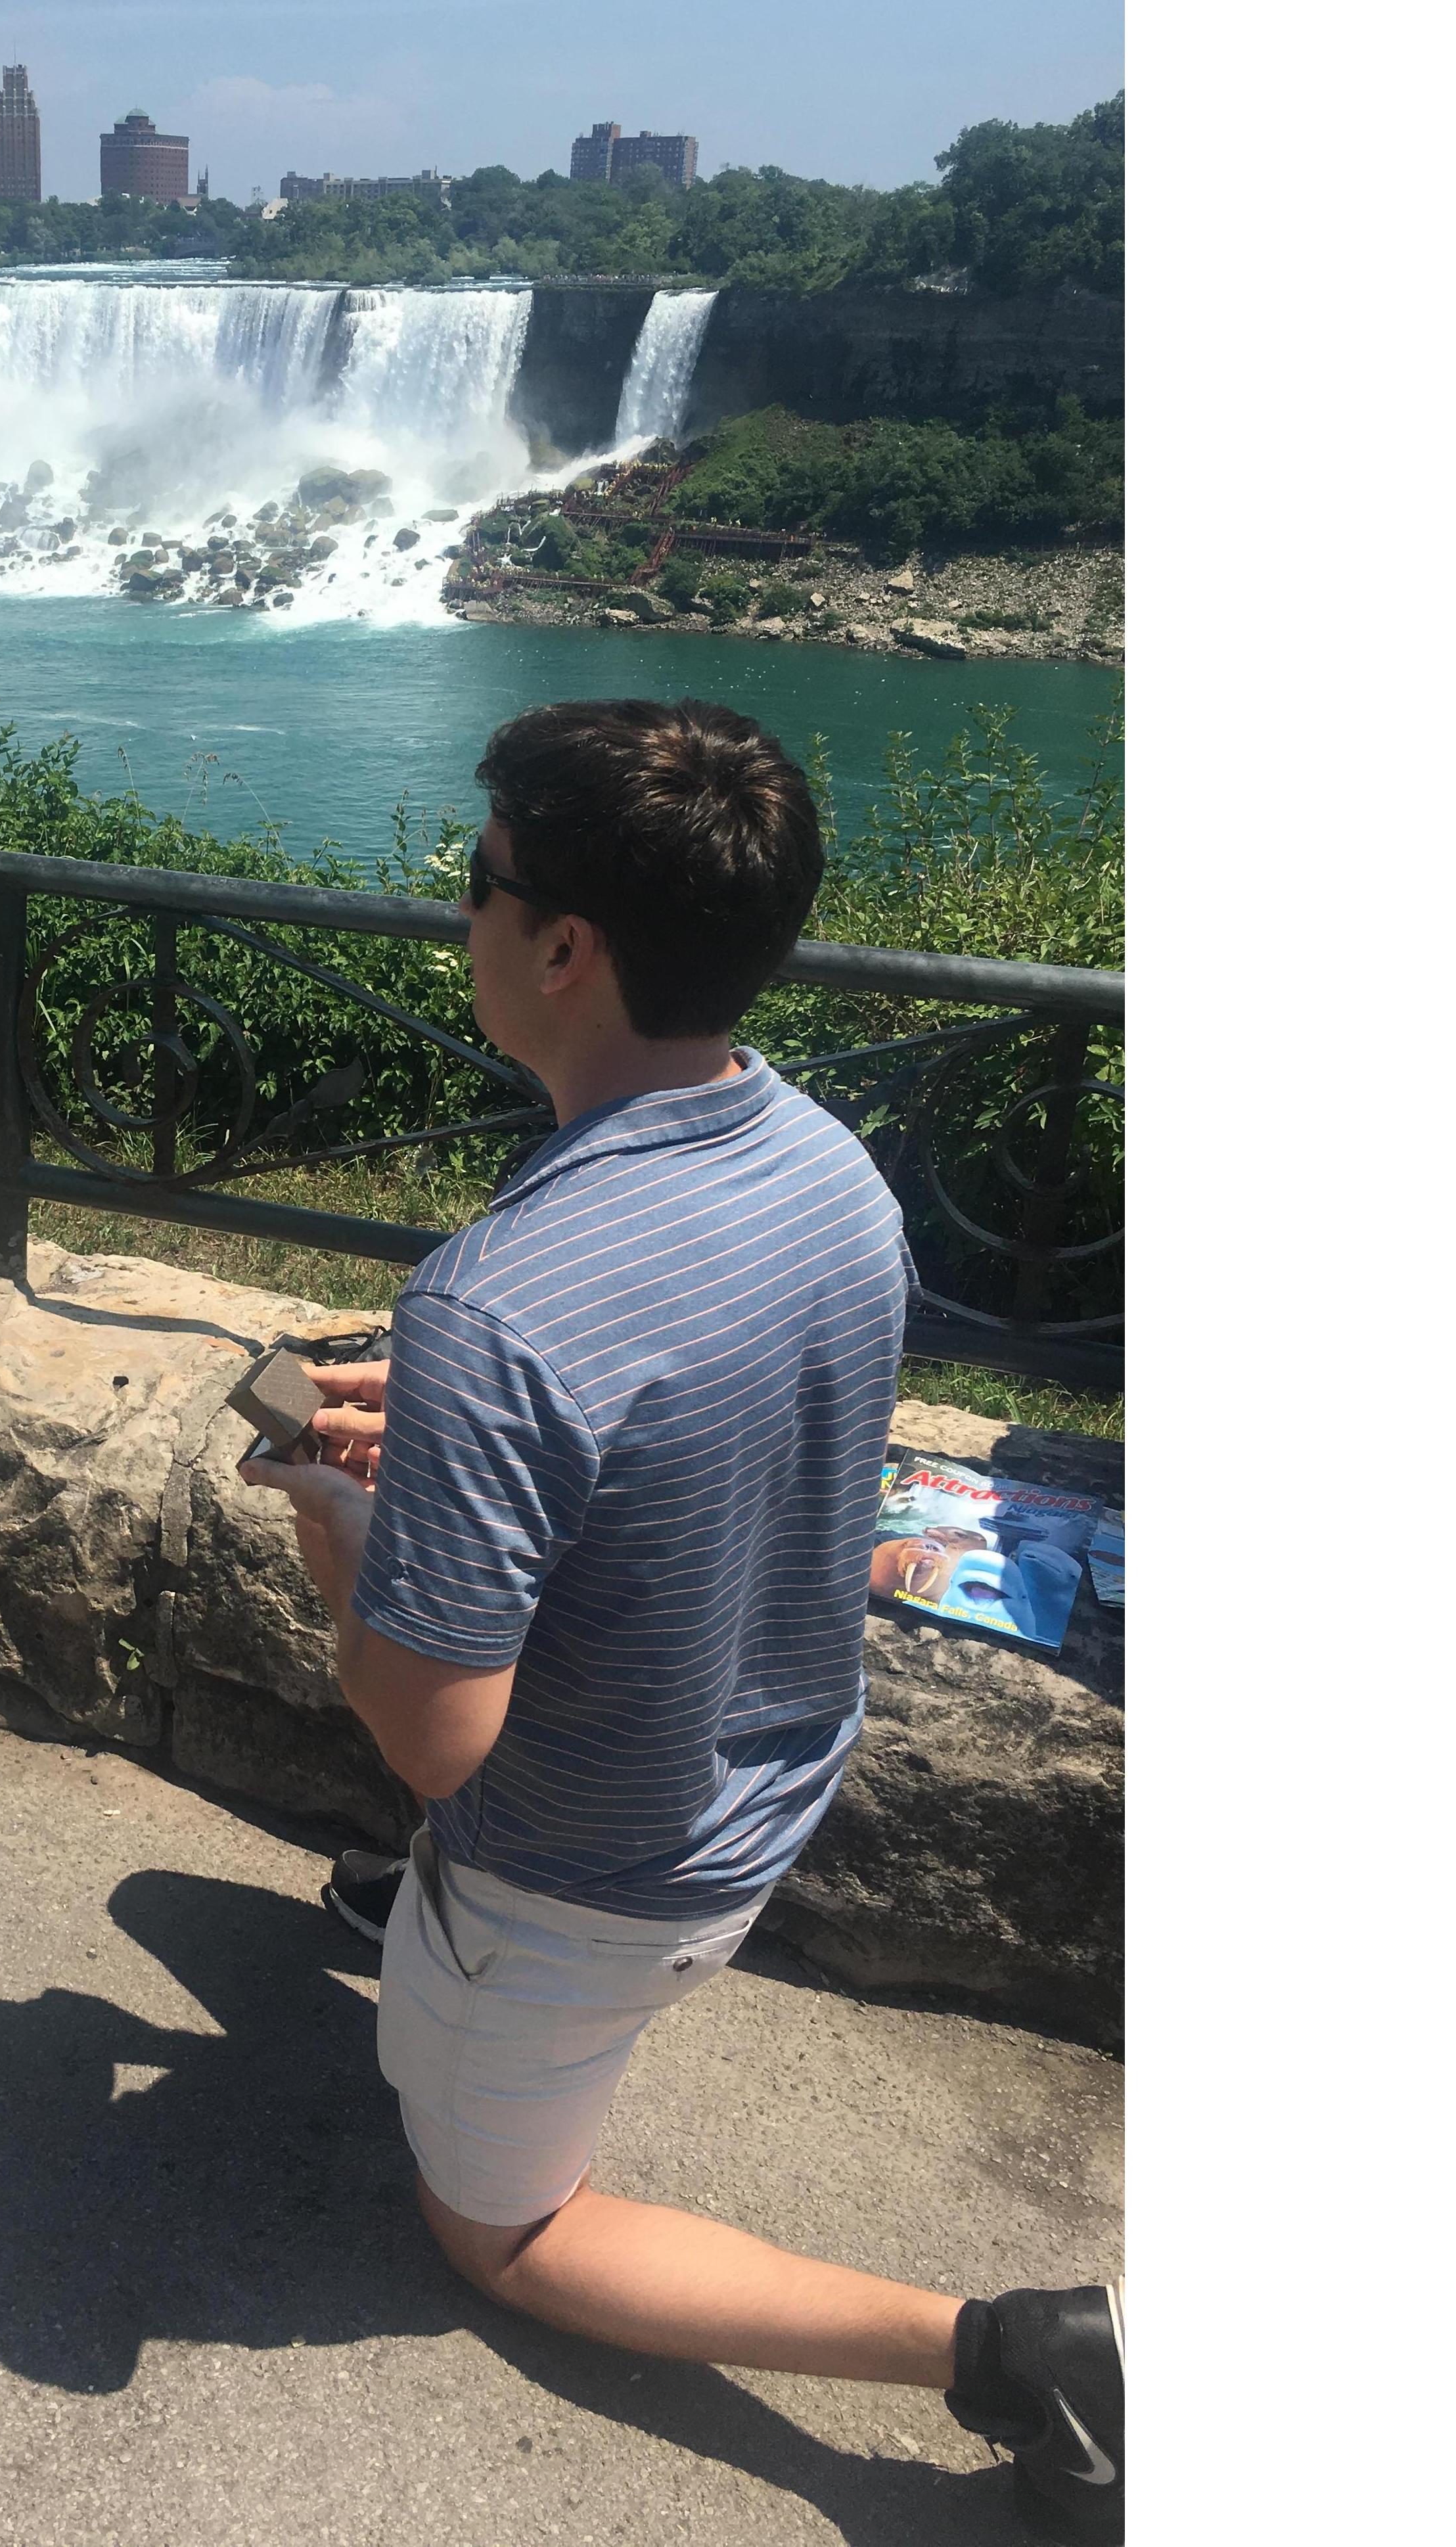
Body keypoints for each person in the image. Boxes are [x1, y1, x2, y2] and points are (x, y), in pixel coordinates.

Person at [237, 699, 1124, 2540]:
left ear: (561, 947)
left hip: (592, 1869)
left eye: (474, 884)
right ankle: (428, 1938)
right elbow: (685, 1426)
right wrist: (479, 1459)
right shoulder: (828, 1166)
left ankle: (1010, 2350)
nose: (455, 914)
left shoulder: (495, 1304)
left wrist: (340, 1520)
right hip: (771, 1756)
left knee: (503, 2228)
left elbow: (431, 1733)